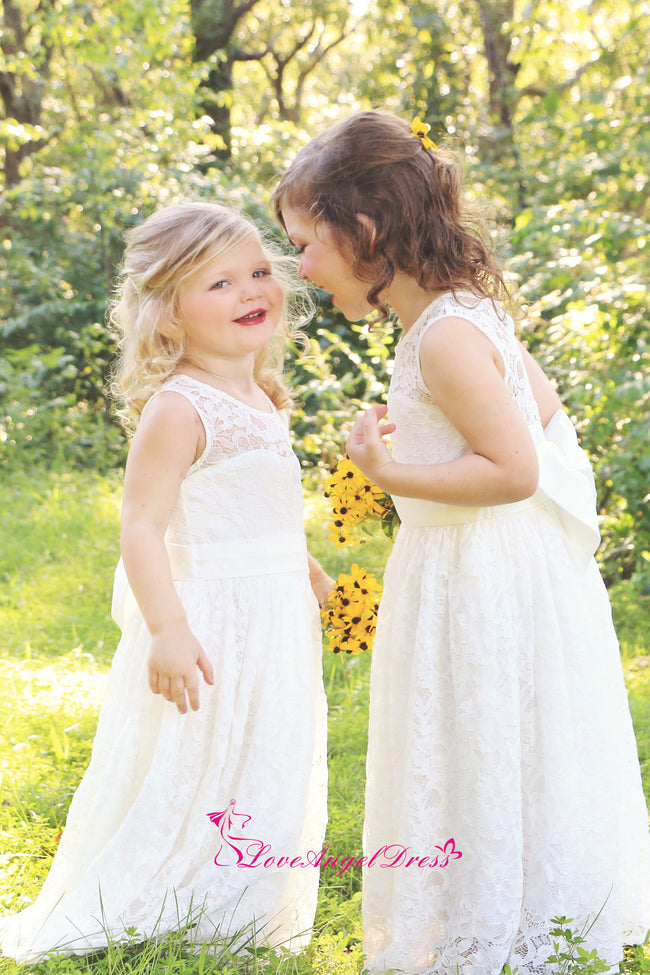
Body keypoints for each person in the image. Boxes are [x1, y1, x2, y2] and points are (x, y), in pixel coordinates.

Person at [272, 111, 650, 975]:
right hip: (495, 565)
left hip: (476, 571)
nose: (299, 265)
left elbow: (515, 468)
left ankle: (493, 925)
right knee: (498, 737)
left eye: (304, 242)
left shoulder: (441, 336)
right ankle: (509, 905)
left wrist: (390, 471)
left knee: (479, 737)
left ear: (363, 231)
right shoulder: (459, 316)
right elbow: (542, 416)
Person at [0, 201, 332, 963]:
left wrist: (303, 565)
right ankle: (168, 885)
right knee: (200, 751)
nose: (251, 290)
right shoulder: (180, 407)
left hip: (275, 614)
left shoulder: (262, 394)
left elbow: (259, 506)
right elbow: (142, 525)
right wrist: (171, 629)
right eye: (218, 283)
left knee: (267, 745)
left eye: (257, 272)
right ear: (169, 315)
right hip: (211, 617)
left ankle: (239, 900)